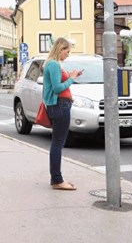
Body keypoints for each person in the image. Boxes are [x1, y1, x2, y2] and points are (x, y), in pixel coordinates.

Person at [42, 37, 82, 191]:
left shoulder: (55, 64)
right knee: (57, 144)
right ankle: (57, 180)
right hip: (59, 106)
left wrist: (72, 76)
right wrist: (71, 79)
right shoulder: (53, 64)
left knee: (57, 143)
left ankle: (56, 178)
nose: (68, 54)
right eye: (67, 51)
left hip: (61, 105)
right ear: (60, 49)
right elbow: (58, 88)